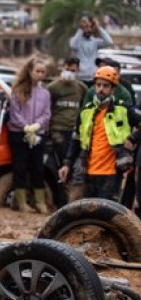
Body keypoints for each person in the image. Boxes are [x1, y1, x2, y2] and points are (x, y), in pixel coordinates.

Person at [59, 66, 141, 201]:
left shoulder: (123, 109)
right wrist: (67, 164)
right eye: (98, 85)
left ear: (113, 89)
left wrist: (133, 138)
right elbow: (76, 140)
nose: (101, 89)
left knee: (107, 217)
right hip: (87, 172)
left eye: (105, 86)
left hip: (112, 173)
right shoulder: (86, 111)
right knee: (85, 214)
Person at [6, 57, 51, 213]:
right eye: (37, 71)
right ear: (30, 71)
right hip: (19, 134)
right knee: (20, 167)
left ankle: (40, 202)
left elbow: (47, 113)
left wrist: (37, 126)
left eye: (42, 72)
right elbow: (15, 113)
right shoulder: (18, 90)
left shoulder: (45, 93)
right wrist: (25, 127)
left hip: (38, 134)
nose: (40, 74)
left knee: (37, 168)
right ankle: (21, 202)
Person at [47, 57, 88, 208]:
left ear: (77, 70)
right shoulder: (53, 87)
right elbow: (47, 109)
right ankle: (59, 201)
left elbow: (84, 108)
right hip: (59, 131)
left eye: (73, 70)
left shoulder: (81, 88)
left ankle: (70, 202)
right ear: (63, 67)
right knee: (60, 167)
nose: (70, 73)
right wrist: (50, 132)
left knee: (72, 167)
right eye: (68, 69)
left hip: (75, 132)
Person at [69, 13, 113, 86]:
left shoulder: (95, 42)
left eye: (90, 27)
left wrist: (98, 27)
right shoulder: (75, 40)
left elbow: (109, 42)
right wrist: (81, 29)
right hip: (79, 78)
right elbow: (73, 46)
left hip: (93, 78)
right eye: (86, 27)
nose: (88, 30)